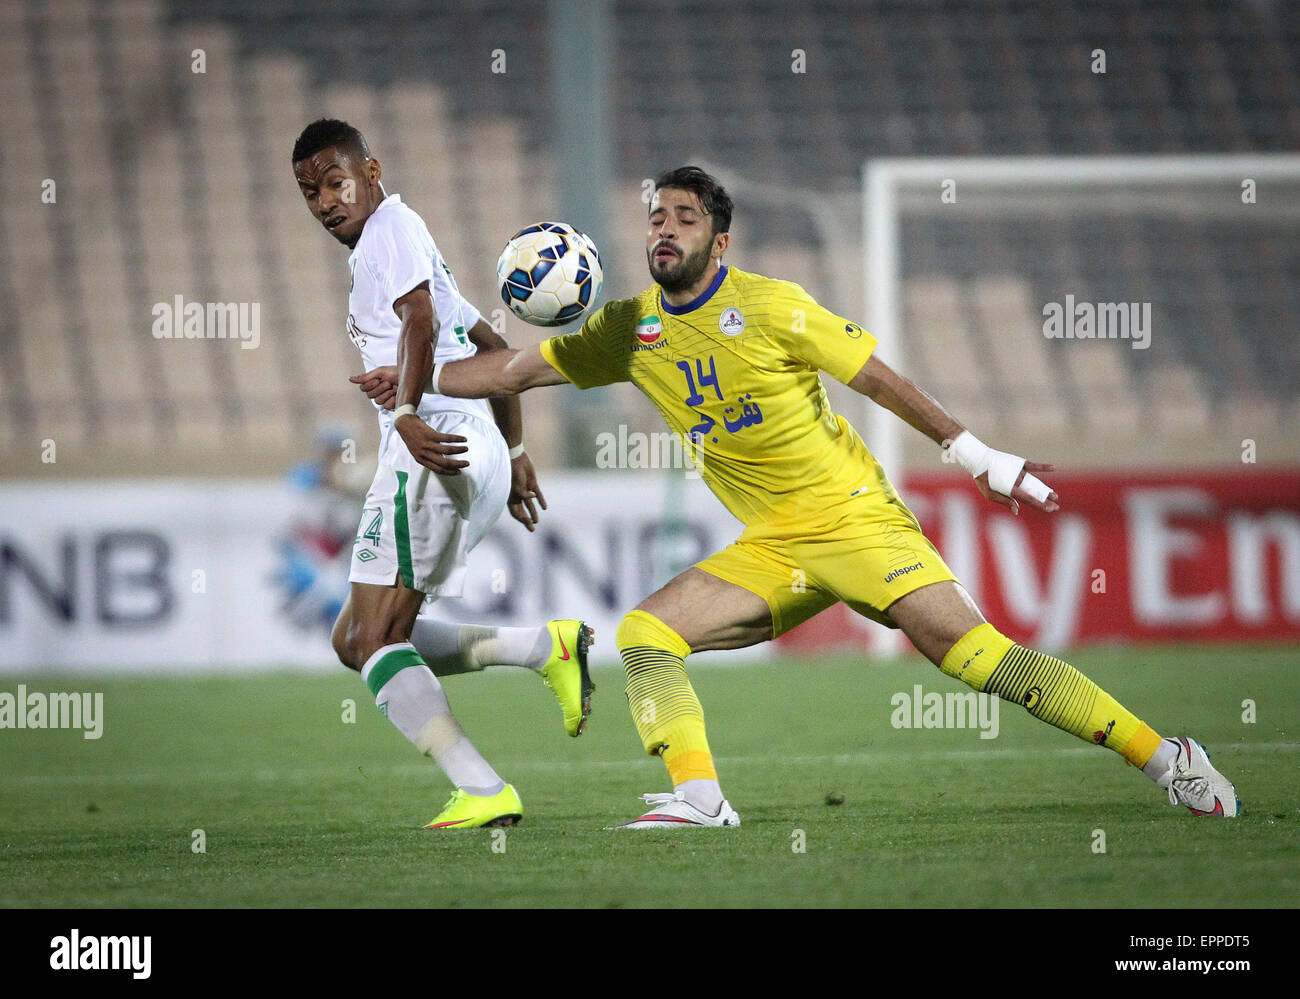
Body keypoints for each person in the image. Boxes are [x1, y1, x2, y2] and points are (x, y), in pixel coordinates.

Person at [360, 165, 1239, 828]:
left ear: (720, 240)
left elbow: (878, 379)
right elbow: (502, 368)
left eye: (685, 217)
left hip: (854, 520)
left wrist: (975, 454)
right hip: (773, 545)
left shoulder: (773, 306)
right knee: (645, 633)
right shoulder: (629, 330)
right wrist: (411, 370)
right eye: (655, 217)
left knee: (976, 659)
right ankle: (700, 799)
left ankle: (1168, 756)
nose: (664, 229)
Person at [291, 118, 594, 830]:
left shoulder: (389, 231)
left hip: (429, 449)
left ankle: (482, 787)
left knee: (375, 640)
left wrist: (401, 415)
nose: (325, 202)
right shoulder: (407, 244)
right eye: (309, 193)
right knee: (355, 640)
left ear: (371, 171)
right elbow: (490, 344)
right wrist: (515, 454)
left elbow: (421, 324)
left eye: (335, 183)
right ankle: (541, 646)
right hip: (474, 451)